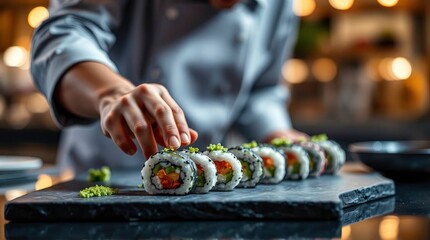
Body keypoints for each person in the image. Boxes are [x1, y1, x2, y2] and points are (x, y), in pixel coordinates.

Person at [31, 0, 306, 171]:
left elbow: (262, 90)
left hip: (205, 187)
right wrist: (111, 93)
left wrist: (279, 136)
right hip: (102, 177)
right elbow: (62, 35)